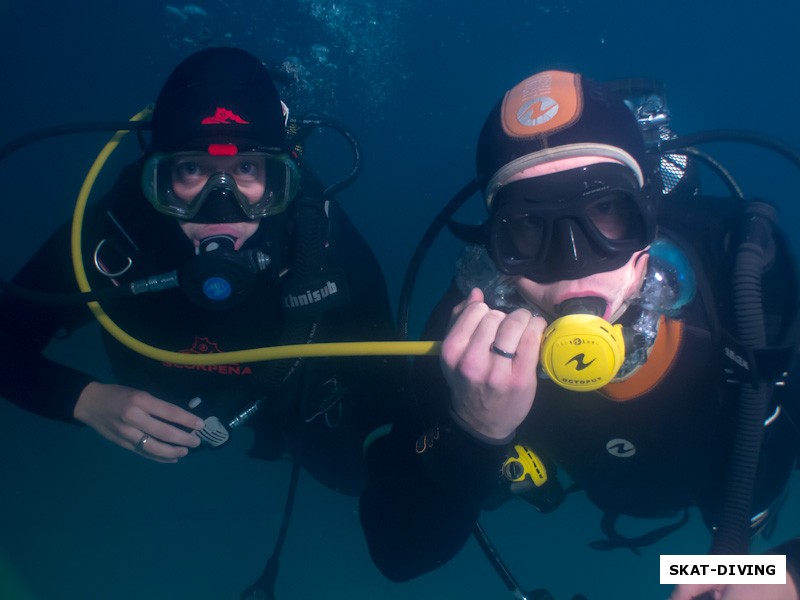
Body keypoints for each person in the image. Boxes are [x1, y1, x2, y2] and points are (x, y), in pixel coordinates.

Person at [359, 70, 800, 599]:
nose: (572, 266)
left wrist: (782, 573)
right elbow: (399, 553)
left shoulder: (746, 283)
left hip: (729, 524)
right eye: (527, 225)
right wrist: (476, 431)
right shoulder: (471, 341)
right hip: (594, 493)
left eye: (607, 211)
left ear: (651, 216)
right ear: (494, 248)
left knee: (710, 561)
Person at [0, 46, 400, 498]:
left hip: (289, 409)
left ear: (279, 178)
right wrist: (85, 400)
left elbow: (384, 378)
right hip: (156, 407)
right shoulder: (117, 236)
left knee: (363, 481)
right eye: (192, 168)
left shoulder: (315, 239)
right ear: (157, 176)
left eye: (246, 168)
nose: (220, 205)